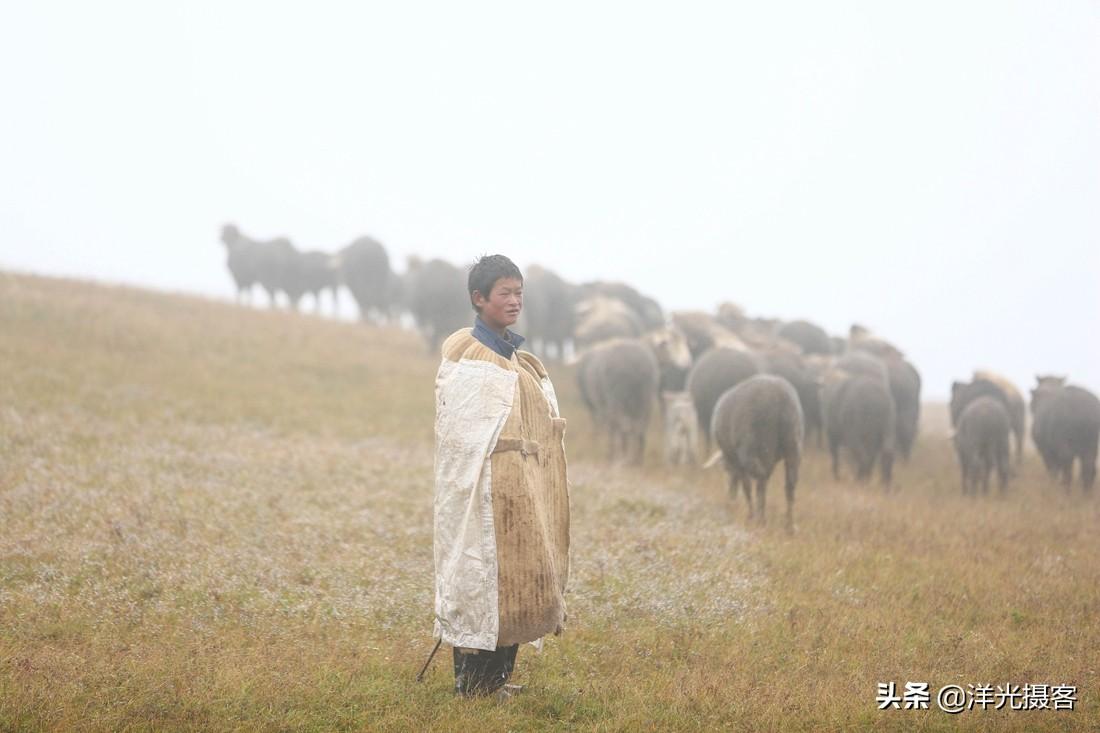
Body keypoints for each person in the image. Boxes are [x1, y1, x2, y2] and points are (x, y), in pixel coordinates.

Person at [432, 254, 570, 698]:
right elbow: (463, 437)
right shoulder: (470, 358)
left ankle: (497, 682)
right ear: (479, 298)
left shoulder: (515, 355)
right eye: (505, 293)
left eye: (519, 292)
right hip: (484, 494)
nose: (515, 301)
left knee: (519, 581)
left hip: (521, 490)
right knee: (481, 582)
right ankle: (472, 689)